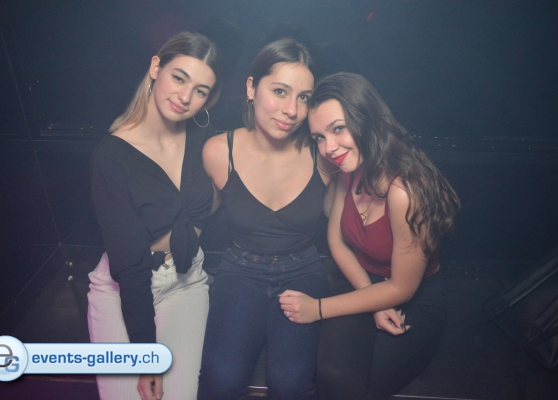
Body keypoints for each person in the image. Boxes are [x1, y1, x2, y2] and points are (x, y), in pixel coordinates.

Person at [279, 72, 461, 400]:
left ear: (367, 120)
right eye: (318, 137)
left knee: (364, 386)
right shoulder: (348, 168)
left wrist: (317, 308)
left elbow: (402, 288)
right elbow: (337, 242)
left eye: (338, 128)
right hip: (360, 279)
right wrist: (371, 299)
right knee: (333, 376)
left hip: (416, 298)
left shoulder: (405, 191)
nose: (329, 148)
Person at [87, 31, 223, 400]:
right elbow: (130, 267)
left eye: (200, 91)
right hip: (123, 290)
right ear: (155, 67)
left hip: (186, 282)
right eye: (179, 78)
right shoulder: (111, 157)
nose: (185, 97)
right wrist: (146, 357)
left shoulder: (205, 140)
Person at [197, 38, 335, 399]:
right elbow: (194, 220)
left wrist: (379, 292)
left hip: (303, 270)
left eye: (304, 97)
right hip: (240, 270)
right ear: (251, 87)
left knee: (290, 385)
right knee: (221, 381)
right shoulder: (219, 151)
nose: (291, 110)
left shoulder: (323, 155)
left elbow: (345, 230)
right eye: (279, 91)